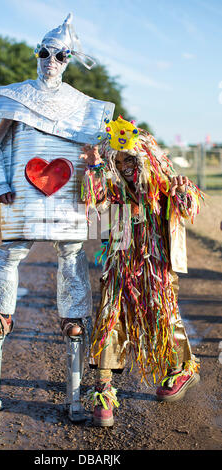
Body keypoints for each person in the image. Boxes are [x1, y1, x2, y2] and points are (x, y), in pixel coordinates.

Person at [0, 14, 114, 406]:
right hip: (23, 195)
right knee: (10, 250)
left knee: (72, 254)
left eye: (60, 55)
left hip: (69, 199)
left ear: (69, 60)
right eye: (45, 52)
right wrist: (0, 183)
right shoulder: (13, 99)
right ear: (37, 54)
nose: (51, 60)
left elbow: (100, 153)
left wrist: (97, 164)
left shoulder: (86, 109)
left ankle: (74, 317)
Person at [80, 116, 204, 426]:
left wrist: (180, 194)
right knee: (109, 316)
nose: (124, 167)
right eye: (118, 161)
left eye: (130, 160)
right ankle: (104, 389)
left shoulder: (164, 181)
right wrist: (94, 168)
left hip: (156, 265)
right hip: (120, 259)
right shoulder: (114, 186)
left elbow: (189, 209)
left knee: (162, 315)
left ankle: (181, 369)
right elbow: (93, 206)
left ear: (145, 156)